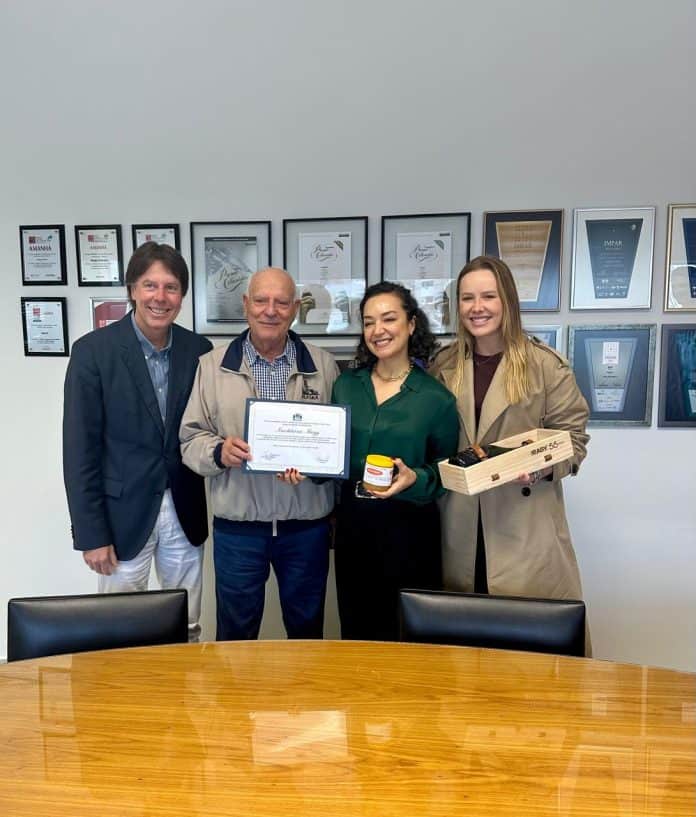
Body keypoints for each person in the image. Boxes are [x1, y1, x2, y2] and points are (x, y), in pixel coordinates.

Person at [63, 241, 213, 640]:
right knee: (118, 630)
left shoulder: (199, 351)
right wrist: (91, 534)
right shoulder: (93, 352)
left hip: (184, 509)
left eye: (171, 287)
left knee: (186, 624)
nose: (160, 297)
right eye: (150, 285)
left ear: (182, 295)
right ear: (132, 289)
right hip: (120, 519)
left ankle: (179, 684)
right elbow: (79, 452)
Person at [180, 267, 338, 641]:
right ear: (245, 304)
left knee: (306, 632)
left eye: (281, 302)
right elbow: (190, 439)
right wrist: (219, 451)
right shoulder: (211, 366)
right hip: (238, 528)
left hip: (305, 528)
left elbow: (337, 445)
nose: (271, 310)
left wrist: (316, 468)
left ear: (295, 308)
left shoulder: (324, 366)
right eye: (261, 300)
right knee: (235, 635)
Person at [431, 256, 590, 622]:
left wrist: (540, 469)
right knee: (462, 640)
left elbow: (574, 440)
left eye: (488, 296)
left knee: (527, 643)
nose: (477, 307)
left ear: (508, 301)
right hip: (458, 525)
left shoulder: (545, 366)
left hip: (523, 526)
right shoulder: (443, 365)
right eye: (467, 298)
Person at [331, 282, 459, 641]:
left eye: (389, 319)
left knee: (408, 637)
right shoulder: (345, 385)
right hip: (354, 527)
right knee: (356, 630)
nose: (378, 330)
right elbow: (330, 452)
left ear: (412, 323)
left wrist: (415, 478)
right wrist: (303, 467)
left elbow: (447, 470)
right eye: (369, 322)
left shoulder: (436, 398)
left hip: (410, 529)